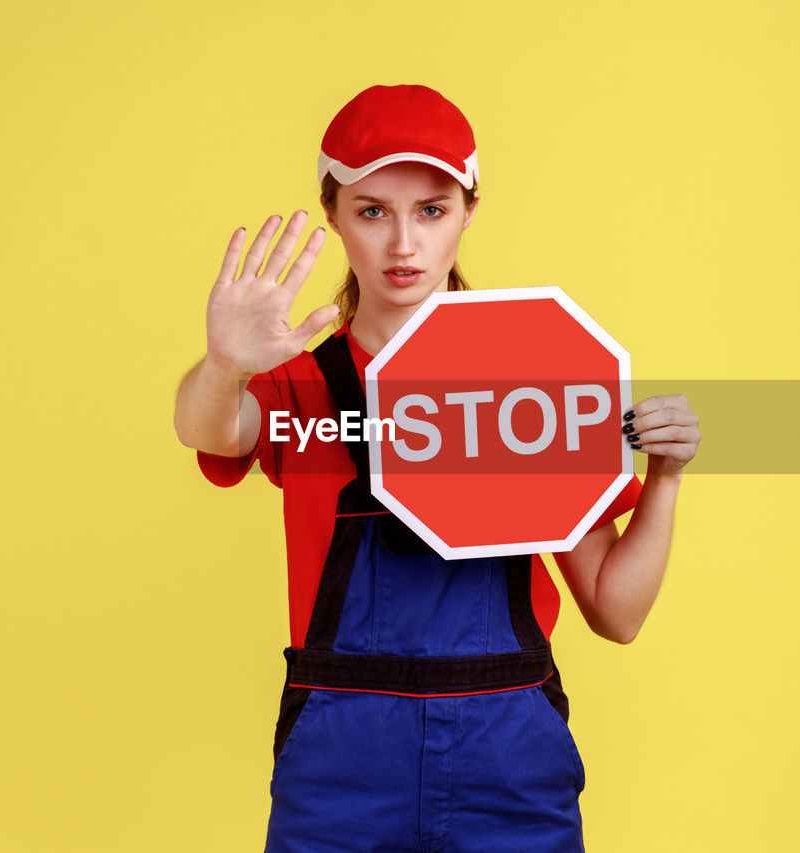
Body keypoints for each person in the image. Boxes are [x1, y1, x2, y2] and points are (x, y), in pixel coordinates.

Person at [174, 84, 701, 852]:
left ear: (469, 209)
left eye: (431, 209)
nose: (403, 246)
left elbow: (616, 611)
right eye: (372, 210)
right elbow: (211, 430)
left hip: (510, 767)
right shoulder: (300, 384)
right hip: (339, 777)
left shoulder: (532, 388)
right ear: (332, 212)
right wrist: (224, 366)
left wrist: (666, 478)